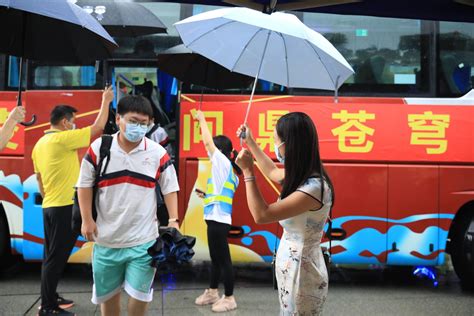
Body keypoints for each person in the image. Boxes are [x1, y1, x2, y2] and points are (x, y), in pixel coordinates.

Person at [77, 95, 180, 316]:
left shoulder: (156, 153)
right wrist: (87, 219)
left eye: (144, 123)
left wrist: (174, 220)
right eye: (133, 121)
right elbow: (83, 185)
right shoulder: (100, 148)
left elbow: (170, 187)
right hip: (106, 241)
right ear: (119, 118)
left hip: (143, 243)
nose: (138, 127)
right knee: (108, 299)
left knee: (140, 298)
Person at [235, 112, 334, 316]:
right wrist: (250, 143)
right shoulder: (302, 175)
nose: (274, 146)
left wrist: (248, 173)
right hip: (293, 265)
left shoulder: (314, 187)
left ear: (291, 145)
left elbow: (262, 215)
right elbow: (272, 171)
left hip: (303, 273)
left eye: (276, 141)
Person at [32, 86, 113, 316]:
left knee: (51, 256)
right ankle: (47, 307)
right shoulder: (61, 139)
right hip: (63, 207)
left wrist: (49, 196)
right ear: (65, 122)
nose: (74, 124)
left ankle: (51, 296)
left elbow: (39, 178)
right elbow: (97, 128)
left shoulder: (40, 144)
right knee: (56, 258)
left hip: (50, 207)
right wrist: (105, 100)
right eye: (73, 121)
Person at [193, 110, 241, 313]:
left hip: (219, 221)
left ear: (221, 150)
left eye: (213, 147)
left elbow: (207, 143)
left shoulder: (221, 162)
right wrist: (206, 195)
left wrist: (202, 119)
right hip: (215, 219)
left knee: (224, 260)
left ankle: (229, 298)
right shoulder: (226, 169)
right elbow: (220, 194)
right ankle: (213, 292)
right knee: (216, 258)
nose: (208, 151)